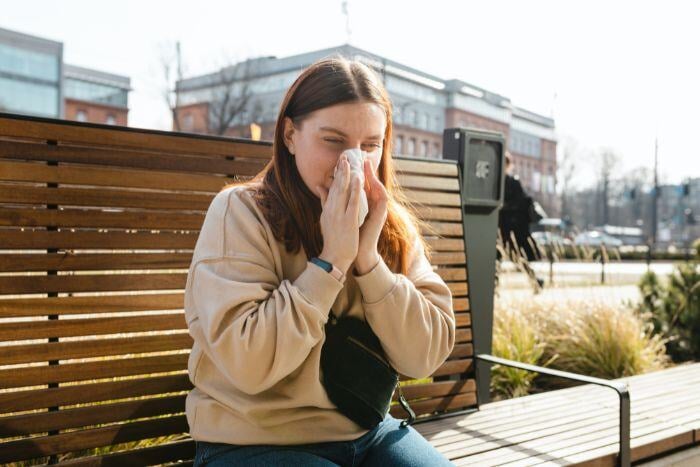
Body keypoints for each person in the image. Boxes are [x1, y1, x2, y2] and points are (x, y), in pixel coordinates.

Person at [184, 56, 456, 466]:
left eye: (370, 146)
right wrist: (330, 262)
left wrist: (367, 261)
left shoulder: (389, 225)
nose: (353, 162)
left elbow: (425, 356)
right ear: (291, 134)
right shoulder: (240, 213)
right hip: (253, 439)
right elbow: (249, 363)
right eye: (333, 140)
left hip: (367, 430)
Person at [497, 151, 544, 290]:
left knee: (511, 258)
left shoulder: (511, 182)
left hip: (507, 229)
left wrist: (504, 207)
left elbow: (521, 204)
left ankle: (535, 280)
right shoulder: (506, 182)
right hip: (505, 229)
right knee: (509, 258)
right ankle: (535, 281)